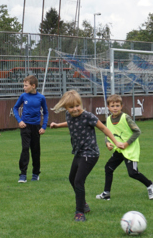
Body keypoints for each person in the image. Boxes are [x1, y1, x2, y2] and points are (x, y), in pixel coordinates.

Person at [48, 90, 123, 222]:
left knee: (78, 181)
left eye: (78, 105)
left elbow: (104, 128)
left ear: (81, 104)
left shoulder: (88, 116)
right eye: (71, 107)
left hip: (90, 153)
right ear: (66, 108)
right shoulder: (68, 115)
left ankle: (80, 212)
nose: (75, 109)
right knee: (72, 178)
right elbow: (71, 123)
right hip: (79, 152)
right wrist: (58, 125)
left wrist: (115, 142)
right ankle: (83, 204)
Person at [94, 94, 153, 201]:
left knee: (132, 173)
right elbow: (108, 133)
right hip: (119, 150)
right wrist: (107, 142)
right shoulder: (108, 119)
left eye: (117, 105)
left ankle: (151, 185)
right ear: (108, 107)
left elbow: (137, 131)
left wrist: (126, 144)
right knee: (108, 168)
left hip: (130, 149)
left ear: (121, 106)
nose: (115, 108)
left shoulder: (125, 117)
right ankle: (106, 193)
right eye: (112, 106)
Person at [12, 75, 49, 183]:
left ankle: (35, 173)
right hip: (25, 127)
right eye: (23, 85)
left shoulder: (41, 98)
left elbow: (46, 112)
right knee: (25, 149)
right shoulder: (23, 96)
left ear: (33, 86)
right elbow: (15, 108)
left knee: (35, 151)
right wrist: (19, 121)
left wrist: (44, 126)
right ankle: (23, 174)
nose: (24, 87)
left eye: (26, 85)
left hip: (36, 127)